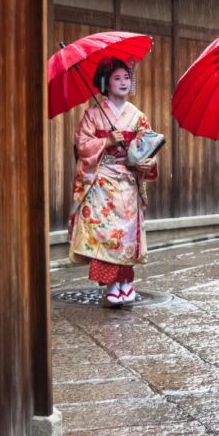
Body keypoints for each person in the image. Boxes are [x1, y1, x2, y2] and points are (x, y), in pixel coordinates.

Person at [68, 57, 159, 307]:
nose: (122, 82)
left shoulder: (138, 116)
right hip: (102, 182)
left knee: (127, 236)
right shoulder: (93, 114)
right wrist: (106, 142)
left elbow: (148, 147)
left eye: (126, 78)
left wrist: (147, 162)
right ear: (105, 83)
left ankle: (126, 283)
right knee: (106, 234)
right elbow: (82, 145)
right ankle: (111, 285)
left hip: (128, 181)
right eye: (117, 78)